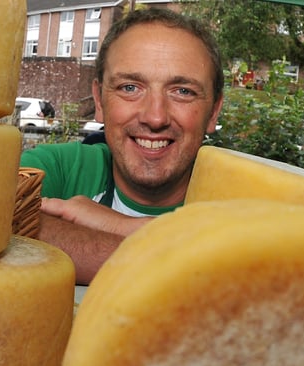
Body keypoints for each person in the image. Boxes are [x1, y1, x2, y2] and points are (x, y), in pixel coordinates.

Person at [20, 8, 224, 284]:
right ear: (100, 101)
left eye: (183, 91)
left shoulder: (238, 198)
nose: (155, 117)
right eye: (130, 87)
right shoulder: (63, 168)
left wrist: (119, 226)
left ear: (213, 111)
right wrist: (189, 256)